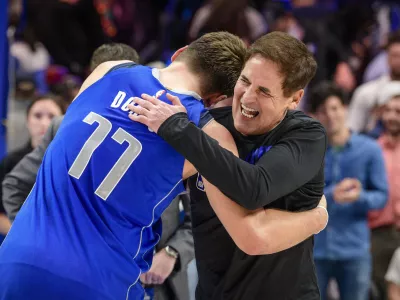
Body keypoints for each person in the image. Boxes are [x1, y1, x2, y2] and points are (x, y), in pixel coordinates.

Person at [0, 31, 327, 300]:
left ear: (180, 52)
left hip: (17, 260)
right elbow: (252, 232)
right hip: (100, 279)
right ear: (215, 99)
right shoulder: (212, 134)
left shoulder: (108, 70)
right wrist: (318, 217)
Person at [128, 31, 327, 299]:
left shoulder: (306, 136)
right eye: (245, 81)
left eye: (264, 91)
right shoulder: (206, 124)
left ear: (294, 99)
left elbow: (253, 189)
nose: (246, 98)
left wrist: (178, 129)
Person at [2, 42, 194, 300]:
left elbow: (196, 217)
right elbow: (15, 184)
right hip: (83, 273)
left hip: (153, 278)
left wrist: (172, 253)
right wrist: (39, 232)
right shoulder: (66, 123)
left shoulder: (171, 131)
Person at [308, 82, 387, 300]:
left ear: (345, 108)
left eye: (334, 108)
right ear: (315, 115)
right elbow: (301, 197)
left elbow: (381, 196)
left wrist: (359, 197)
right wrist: (332, 195)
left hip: (354, 248)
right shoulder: (309, 151)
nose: (330, 116)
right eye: (323, 111)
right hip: (316, 249)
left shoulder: (369, 149)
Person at [0, 95, 64, 240]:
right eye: (37, 116)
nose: (44, 123)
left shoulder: (68, 161)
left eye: (52, 117)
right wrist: (27, 235)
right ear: (27, 121)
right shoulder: (11, 162)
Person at [369, 86, 400, 300]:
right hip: (378, 232)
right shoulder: (372, 149)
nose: (391, 116)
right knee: (378, 291)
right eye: (387, 110)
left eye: (398, 111)